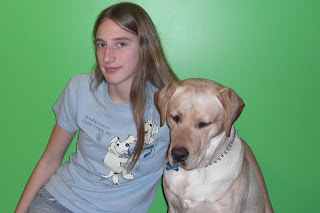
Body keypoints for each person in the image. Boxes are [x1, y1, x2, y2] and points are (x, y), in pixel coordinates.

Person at [15, 2, 273, 213]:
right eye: (101, 44)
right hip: (59, 203)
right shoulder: (79, 88)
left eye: (121, 43)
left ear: (145, 47)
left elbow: (233, 144)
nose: (108, 57)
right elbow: (50, 159)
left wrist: (267, 206)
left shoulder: (170, 105)